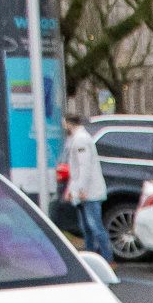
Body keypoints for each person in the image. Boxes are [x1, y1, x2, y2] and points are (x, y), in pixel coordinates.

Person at [61, 106, 113, 263]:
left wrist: (80, 189)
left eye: (64, 123)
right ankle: (92, 258)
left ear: (69, 123)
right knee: (87, 229)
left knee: (95, 227)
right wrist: (72, 189)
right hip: (83, 192)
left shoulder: (81, 140)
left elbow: (84, 167)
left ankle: (106, 258)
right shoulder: (77, 139)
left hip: (89, 192)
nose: (63, 127)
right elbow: (76, 170)